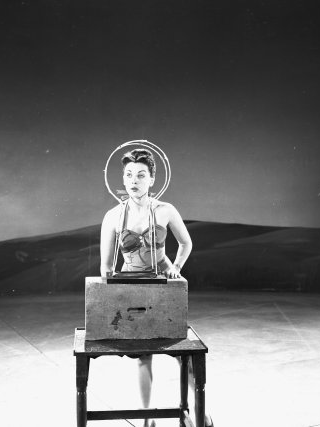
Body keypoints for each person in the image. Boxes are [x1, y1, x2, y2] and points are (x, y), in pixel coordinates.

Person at [100, 148, 213, 427]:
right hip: (131, 287)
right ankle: (147, 418)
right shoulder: (113, 216)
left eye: (141, 175)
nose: (133, 180)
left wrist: (176, 267)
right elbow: (106, 267)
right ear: (122, 179)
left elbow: (186, 243)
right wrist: (114, 297)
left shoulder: (166, 210)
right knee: (143, 356)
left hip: (163, 286)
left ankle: (200, 412)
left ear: (152, 179)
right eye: (128, 175)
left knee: (181, 353)